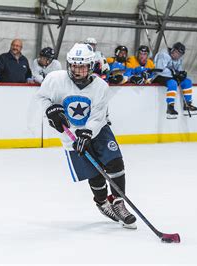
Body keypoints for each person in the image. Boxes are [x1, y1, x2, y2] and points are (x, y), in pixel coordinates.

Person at [34, 43, 137, 229]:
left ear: (90, 66)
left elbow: (98, 116)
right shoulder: (55, 80)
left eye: (82, 66)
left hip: (98, 131)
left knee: (115, 162)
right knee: (94, 173)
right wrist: (50, 110)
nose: (77, 70)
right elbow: (42, 97)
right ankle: (102, 203)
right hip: (71, 135)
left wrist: (88, 133)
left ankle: (119, 203)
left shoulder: (101, 87)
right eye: (74, 65)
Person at [153, 42, 197, 119]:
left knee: (187, 82)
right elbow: (159, 69)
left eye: (180, 54)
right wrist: (173, 73)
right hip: (158, 76)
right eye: (177, 53)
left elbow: (179, 70)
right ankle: (170, 108)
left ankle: (187, 105)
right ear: (173, 50)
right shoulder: (163, 54)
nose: (178, 56)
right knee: (173, 83)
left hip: (170, 76)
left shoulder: (179, 59)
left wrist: (181, 74)